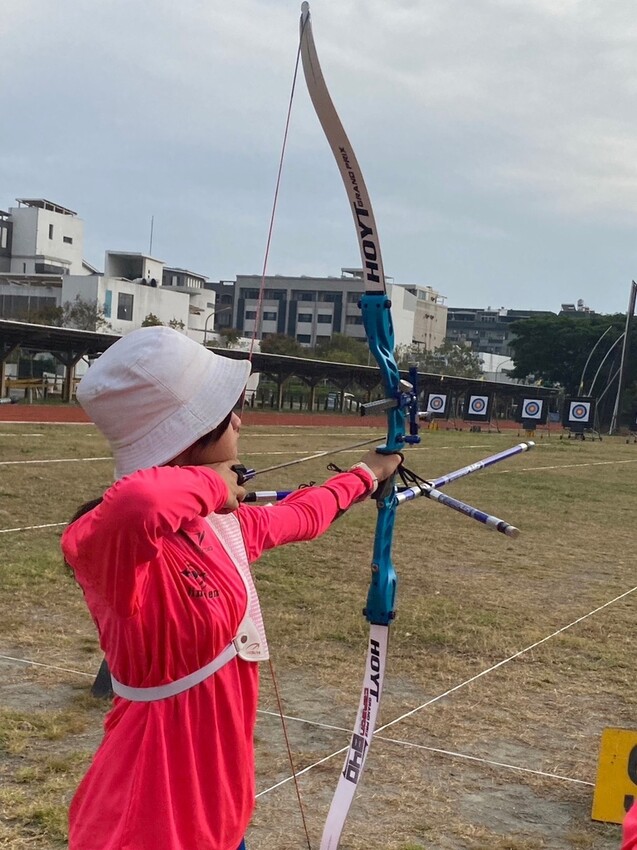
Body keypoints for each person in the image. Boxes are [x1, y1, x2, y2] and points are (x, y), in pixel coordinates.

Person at [61, 326, 401, 850]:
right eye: (225, 414)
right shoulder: (103, 546)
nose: (239, 421)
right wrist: (215, 484)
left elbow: (300, 514)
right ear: (189, 434)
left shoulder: (223, 528)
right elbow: (140, 504)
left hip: (218, 810)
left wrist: (363, 476)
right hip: (147, 817)